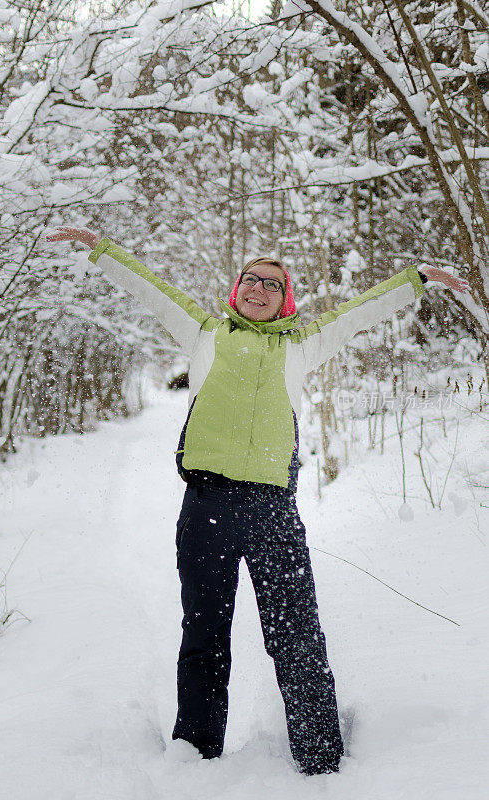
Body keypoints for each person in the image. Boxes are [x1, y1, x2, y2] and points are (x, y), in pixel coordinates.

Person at [45, 226, 469, 775]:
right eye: (251, 279)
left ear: (285, 299)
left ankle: (321, 760)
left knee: (296, 634)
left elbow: (361, 311)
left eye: (272, 283)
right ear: (236, 288)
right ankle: (195, 757)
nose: (259, 288)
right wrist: (98, 247)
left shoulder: (303, 344)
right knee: (204, 636)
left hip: (273, 511)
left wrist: (417, 279)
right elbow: (149, 287)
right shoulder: (204, 333)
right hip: (207, 507)